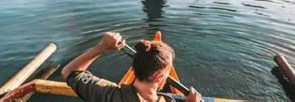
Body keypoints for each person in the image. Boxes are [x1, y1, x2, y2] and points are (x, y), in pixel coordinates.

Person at [61, 32, 202, 102]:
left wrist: (102, 47)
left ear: (134, 68)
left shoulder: (108, 95)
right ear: (159, 77)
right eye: (167, 73)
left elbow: (69, 72)